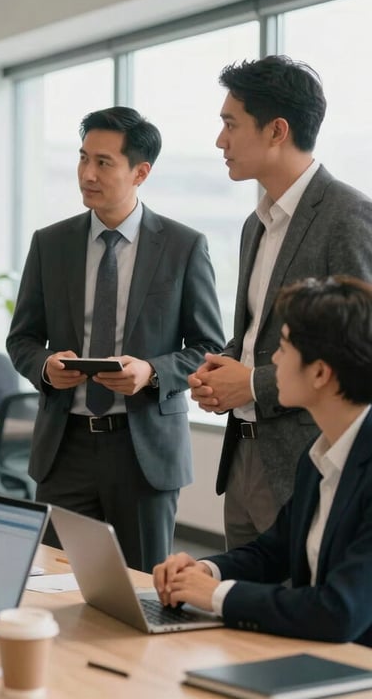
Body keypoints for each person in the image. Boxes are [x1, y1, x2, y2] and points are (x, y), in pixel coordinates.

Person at [6, 106, 225, 572]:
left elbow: (208, 346)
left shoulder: (184, 246)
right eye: (83, 159)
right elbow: (22, 337)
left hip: (143, 450)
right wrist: (44, 367)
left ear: (140, 172)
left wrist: (152, 372)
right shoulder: (51, 243)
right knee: (55, 586)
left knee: (145, 591)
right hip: (64, 449)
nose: (87, 173)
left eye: (103, 162)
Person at [188, 56, 372, 549]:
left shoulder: (346, 216)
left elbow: (357, 352)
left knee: (292, 615)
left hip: (305, 460)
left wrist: (249, 383)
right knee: (234, 609)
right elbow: (256, 336)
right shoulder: (255, 224)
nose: (219, 140)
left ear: (276, 131)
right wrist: (222, 369)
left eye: (230, 124)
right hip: (243, 457)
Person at [155, 276, 372, 646]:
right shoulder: (319, 453)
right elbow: (272, 551)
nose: (273, 359)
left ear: (320, 373)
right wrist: (205, 570)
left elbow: (339, 611)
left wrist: (214, 596)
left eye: (284, 347)